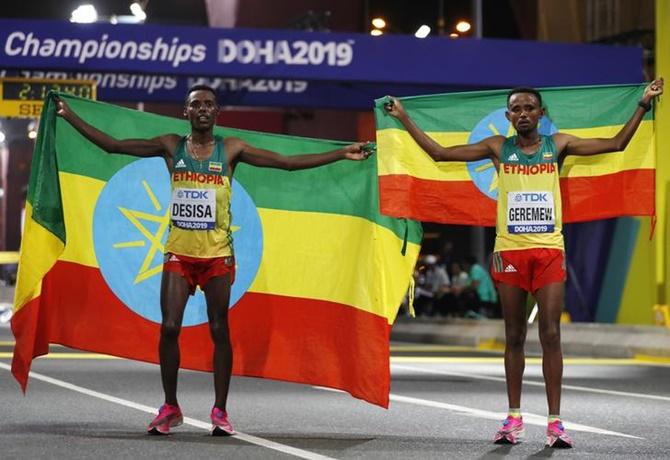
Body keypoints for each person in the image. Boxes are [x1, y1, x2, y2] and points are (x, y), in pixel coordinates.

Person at [55, 85, 373, 436]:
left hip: (217, 255)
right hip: (179, 252)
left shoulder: (231, 149)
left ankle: (220, 411)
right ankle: (170, 407)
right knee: (169, 327)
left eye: (208, 104)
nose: (202, 109)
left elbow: (285, 163)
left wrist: (342, 153)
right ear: (186, 112)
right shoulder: (170, 146)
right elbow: (113, 145)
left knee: (219, 329)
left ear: (217, 112)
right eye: (195, 105)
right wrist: (69, 116)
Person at [385, 78, 664, 447]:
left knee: (551, 333)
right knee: (514, 335)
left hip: (549, 250)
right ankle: (513, 417)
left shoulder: (557, 145)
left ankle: (555, 422)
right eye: (516, 109)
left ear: (541, 114)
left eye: (529, 108)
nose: (523, 114)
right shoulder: (497, 147)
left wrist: (643, 103)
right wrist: (404, 117)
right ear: (507, 116)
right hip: (511, 252)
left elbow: (615, 144)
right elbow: (439, 154)